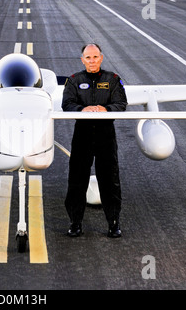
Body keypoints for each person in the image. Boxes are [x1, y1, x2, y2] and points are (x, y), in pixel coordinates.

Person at [62, 43, 128, 238]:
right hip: (82, 135)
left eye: (95, 57)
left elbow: (121, 103)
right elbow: (67, 103)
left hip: (105, 136)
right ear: (83, 60)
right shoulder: (74, 80)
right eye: (88, 58)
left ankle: (113, 223)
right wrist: (82, 110)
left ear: (101, 58)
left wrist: (105, 109)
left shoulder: (113, 80)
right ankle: (75, 223)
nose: (92, 61)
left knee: (110, 181)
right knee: (77, 180)